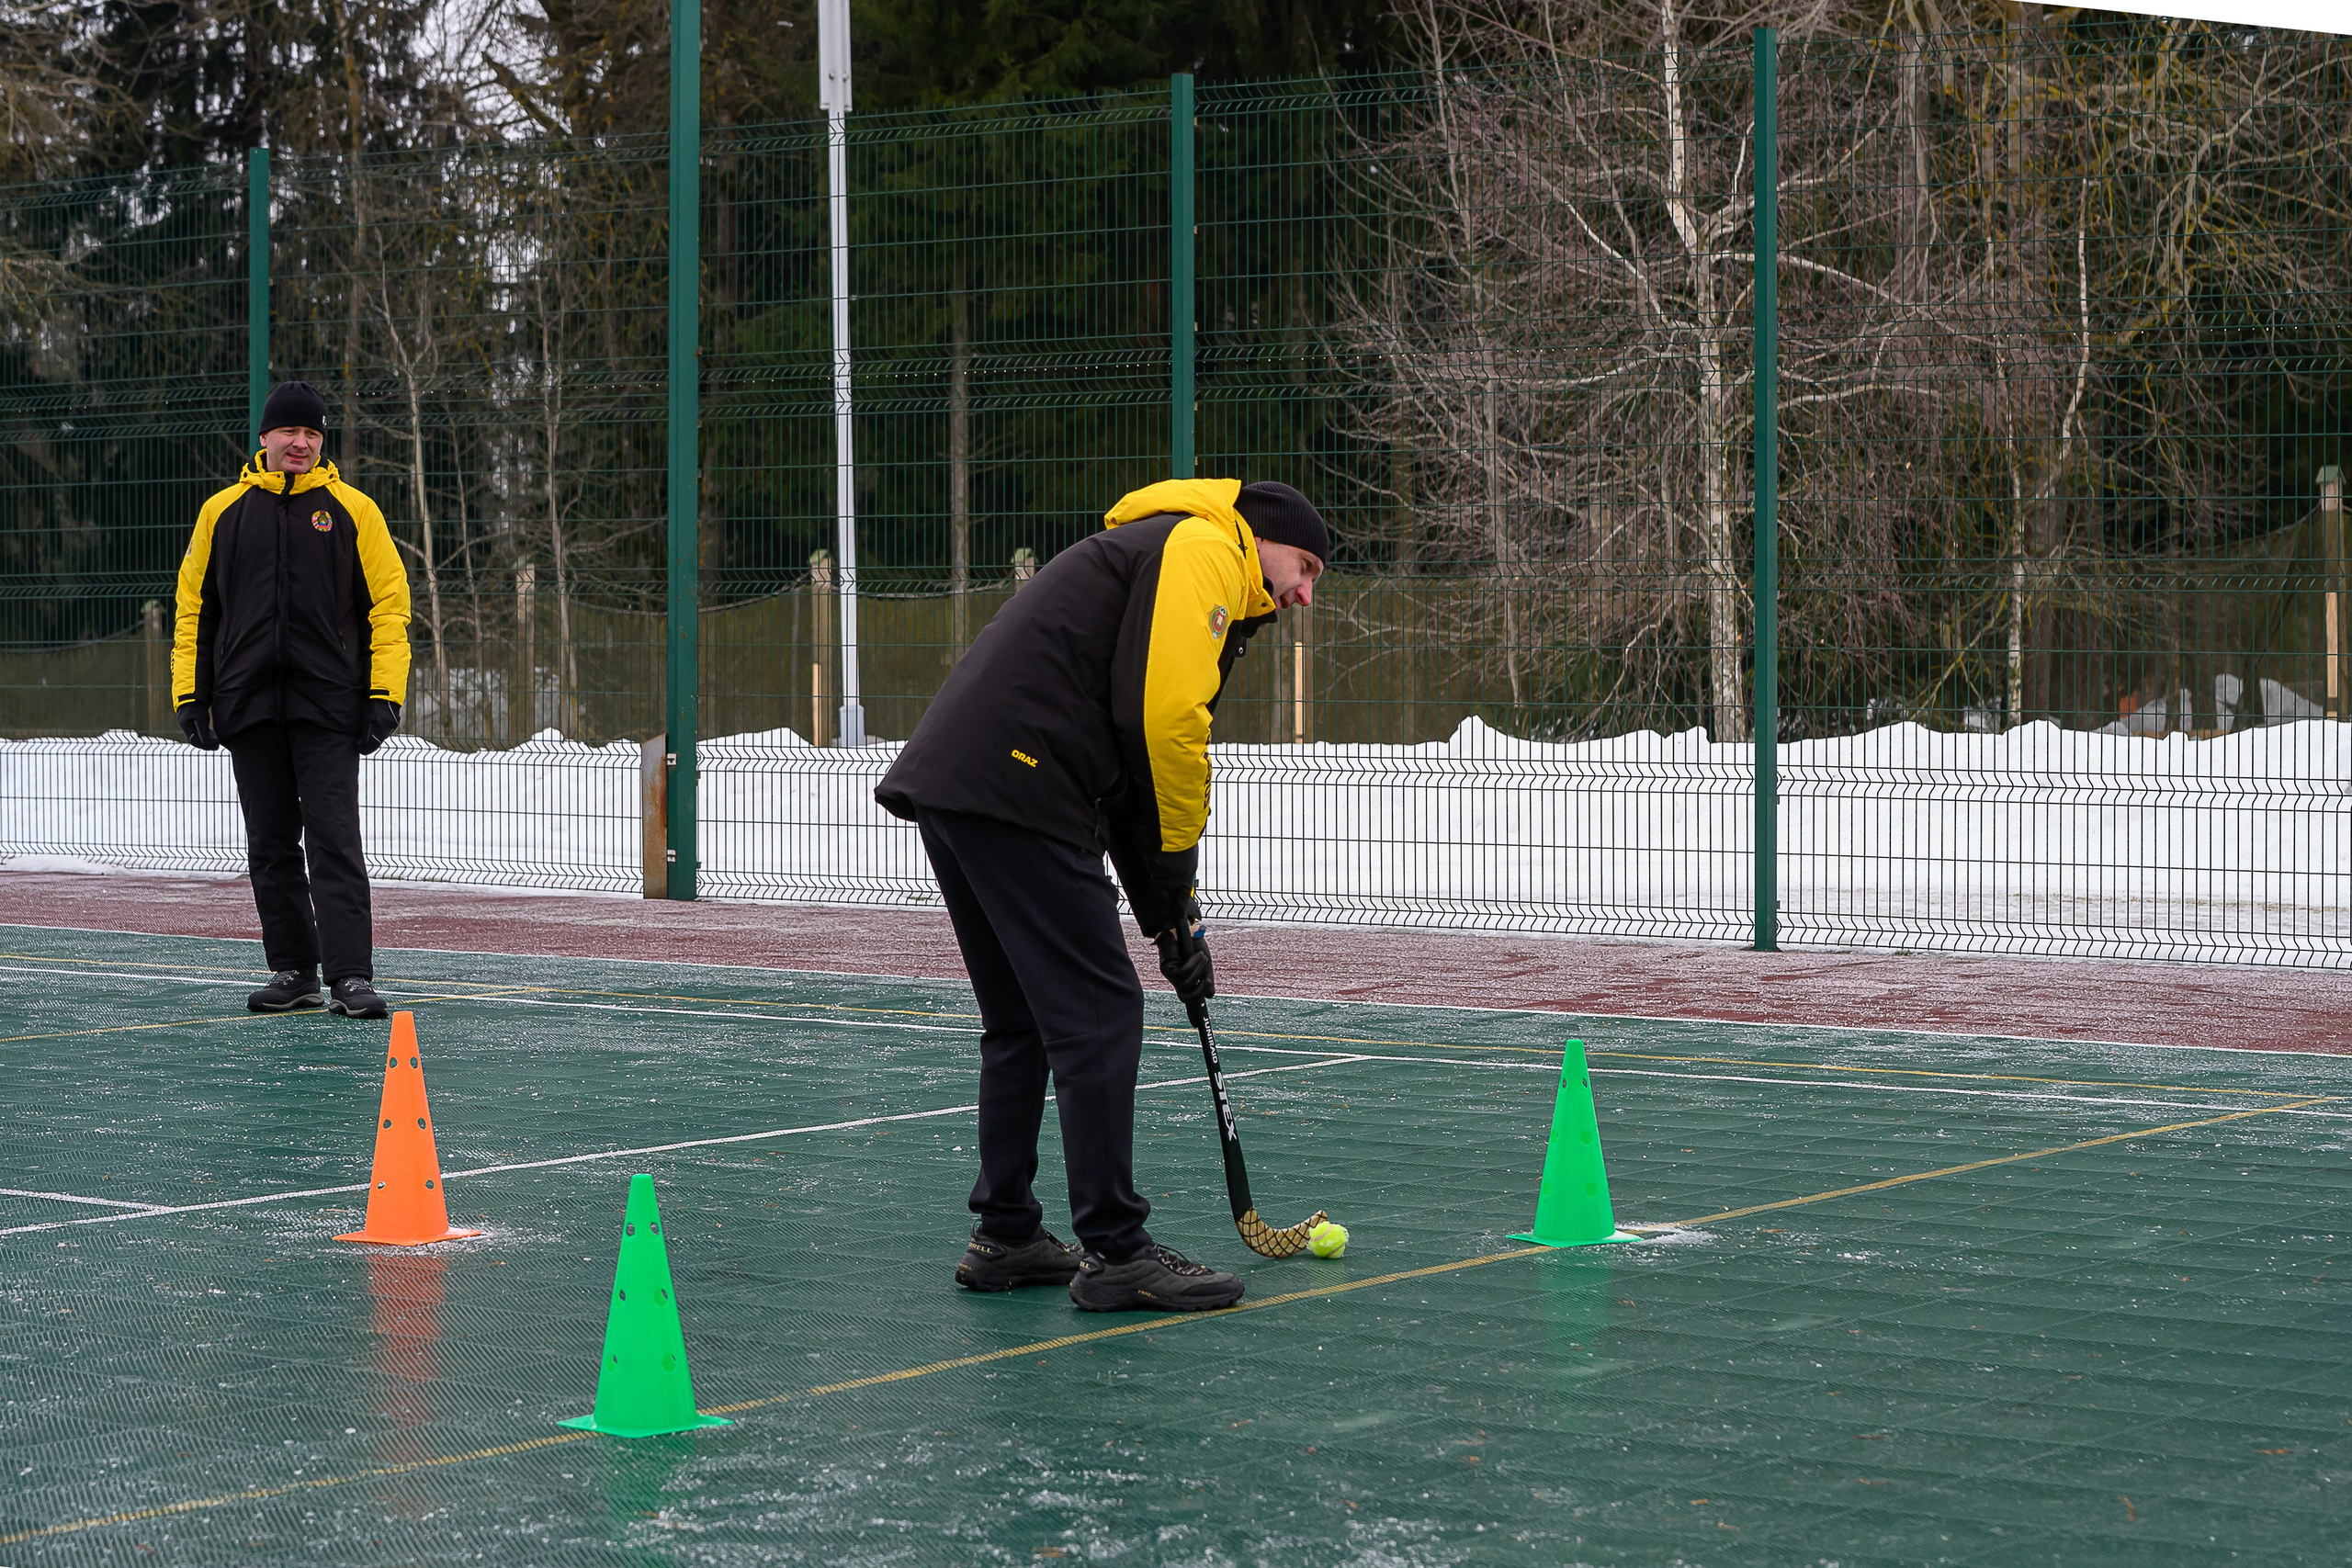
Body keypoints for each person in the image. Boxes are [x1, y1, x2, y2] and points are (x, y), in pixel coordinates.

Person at [875, 477, 1329, 1313]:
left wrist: (1168, 915)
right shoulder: (1204, 550)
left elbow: (1124, 767)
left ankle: (1005, 1232)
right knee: (1099, 1011)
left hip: (964, 780)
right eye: (1303, 565)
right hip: (1020, 783)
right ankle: (1116, 1249)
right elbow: (1163, 726)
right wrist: (1179, 865)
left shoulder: (1163, 552)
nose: (1304, 592)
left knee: (1023, 1019)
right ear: (1260, 536)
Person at [171, 381, 411, 1020]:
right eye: (289, 432)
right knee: (271, 845)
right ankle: (294, 971)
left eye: (312, 434)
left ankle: (350, 976)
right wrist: (192, 695)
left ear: (321, 443)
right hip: (247, 705)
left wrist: (383, 693)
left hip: (329, 706)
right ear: (265, 439)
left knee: (334, 840)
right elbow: (195, 610)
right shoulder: (222, 512)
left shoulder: (354, 511)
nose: (300, 443)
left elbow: (389, 608)